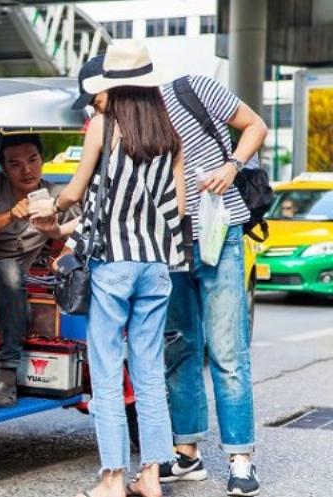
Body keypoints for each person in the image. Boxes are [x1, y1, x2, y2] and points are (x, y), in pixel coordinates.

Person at [33, 40, 186, 497]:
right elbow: (176, 205)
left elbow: (77, 191)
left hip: (114, 264)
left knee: (105, 370)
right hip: (157, 265)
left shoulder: (103, 124)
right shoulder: (170, 130)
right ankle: (153, 477)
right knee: (149, 374)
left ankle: (114, 479)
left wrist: (51, 209)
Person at [156, 61, 268, 497]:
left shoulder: (193, 89)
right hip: (167, 244)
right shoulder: (126, 121)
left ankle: (241, 459)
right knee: (180, 349)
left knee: (227, 350)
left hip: (220, 234)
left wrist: (232, 166)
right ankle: (187, 455)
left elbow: (254, 125)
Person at [0, 134, 79, 407]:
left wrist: (65, 251)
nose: (26, 170)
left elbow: (85, 226)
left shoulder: (55, 197)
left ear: (42, 161)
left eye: (33, 160)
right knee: (7, 271)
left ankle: (7, 373)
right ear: (3, 168)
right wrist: (11, 214)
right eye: (15, 164)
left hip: (14, 280)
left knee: (11, 273)